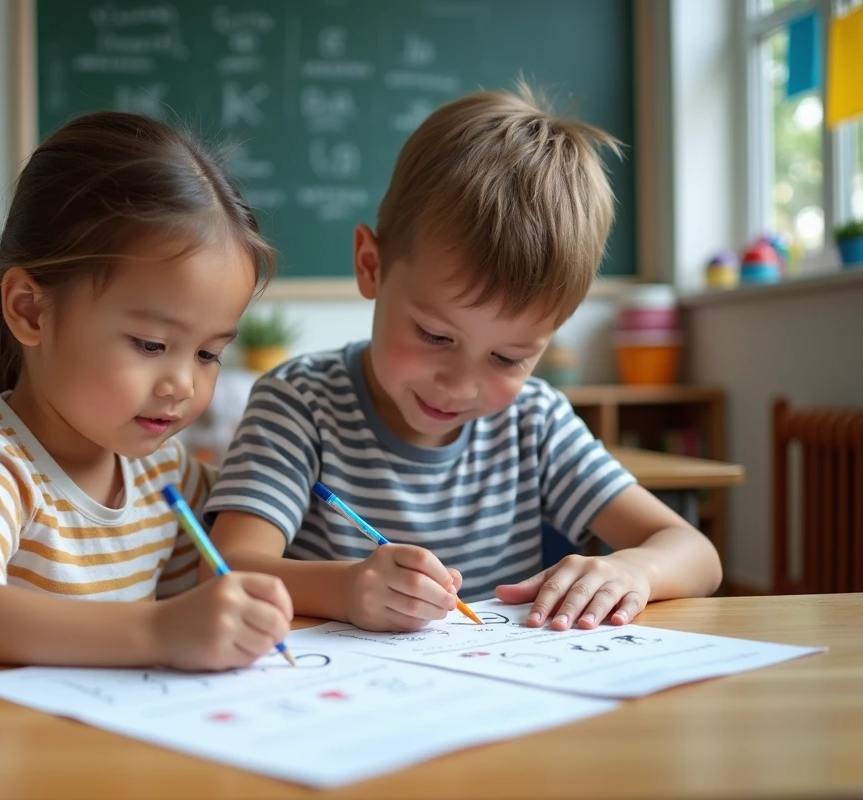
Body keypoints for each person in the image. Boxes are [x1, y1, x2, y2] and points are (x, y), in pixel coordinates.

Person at [204, 84, 722, 633]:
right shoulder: (299, 403)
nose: (460, 384)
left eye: (508, 357)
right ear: (371, 265)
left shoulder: (535, 422)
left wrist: (635, 568)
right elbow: (225, 568)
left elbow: (696, 553)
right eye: (435, 335)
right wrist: (347, 589)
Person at [0, 111, 294, 705]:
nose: (181, 383)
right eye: (151, 345)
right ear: (30, 310)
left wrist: (353, 586)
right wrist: (161, 630)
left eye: (207, 353)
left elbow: (230, 566)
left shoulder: (162, 471)